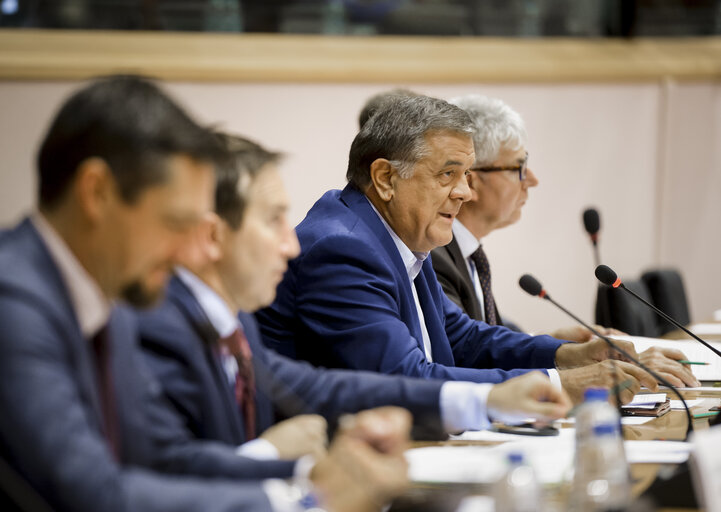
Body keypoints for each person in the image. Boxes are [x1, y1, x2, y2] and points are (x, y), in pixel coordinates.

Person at [0, 75, 412, 512]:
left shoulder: (110, 296)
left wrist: (320, 474)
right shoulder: (1, 298)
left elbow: (161, 463)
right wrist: (303, 501)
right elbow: (87, 493)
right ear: (97, 193)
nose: (187, 252)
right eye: (174, 224)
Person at [136, 132, 572, 461]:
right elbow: (151, 481)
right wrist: (276, 460)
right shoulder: (158, 328)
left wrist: (503, 391)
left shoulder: (230, 318)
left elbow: (321, 388)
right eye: (273, 220)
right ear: (213, 234)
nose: (290, 246)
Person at [257, 94, 660, 404]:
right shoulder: (342, 249)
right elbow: (407, 379)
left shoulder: (398, 234)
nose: (465, 192)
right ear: (384, 178)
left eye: (467, 175)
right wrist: (561, 385)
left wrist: (568, 356)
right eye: (448, 174)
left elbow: (461, 337)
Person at [431, 94, 698, 388]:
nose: (532, 179)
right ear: (472, 181)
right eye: (518, 167)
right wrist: (570, 374)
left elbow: (484, 334)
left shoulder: (465, 253)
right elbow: (463, 356)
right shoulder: (434, 257)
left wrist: (557, 346)